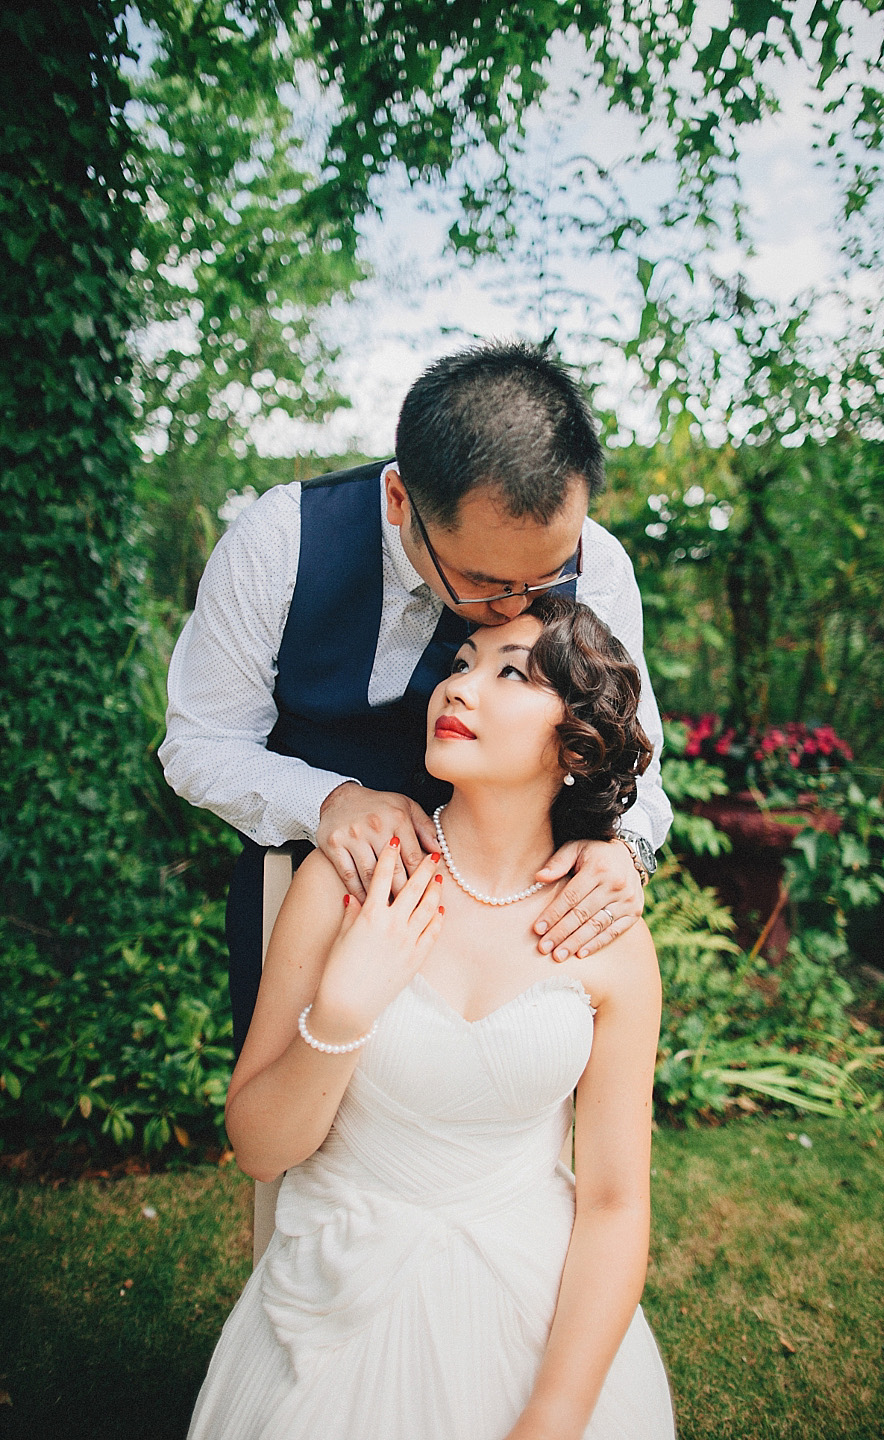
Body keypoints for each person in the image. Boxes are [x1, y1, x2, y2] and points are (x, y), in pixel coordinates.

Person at [187, 594, 674, 1440]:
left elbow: (612, 1202)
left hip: (535, 1287)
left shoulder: (607, 937)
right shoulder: (345, 883)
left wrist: (555, 1414)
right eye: (459, 665)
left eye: (510, 671)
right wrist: (343, 1008)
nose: (459, 689)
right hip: (342, 1282)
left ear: (576, 744)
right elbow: (260, 1150)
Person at [159, 342, 672, 1053]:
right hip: (308, 894)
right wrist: (327, 802)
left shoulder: (598, 562)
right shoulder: (281, 540)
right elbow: (200, 744)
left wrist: (629, 846)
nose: (519, 603)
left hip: (515, 926)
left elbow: (631, 746)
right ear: (401, 500)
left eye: (548, 573)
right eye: (486, 581)